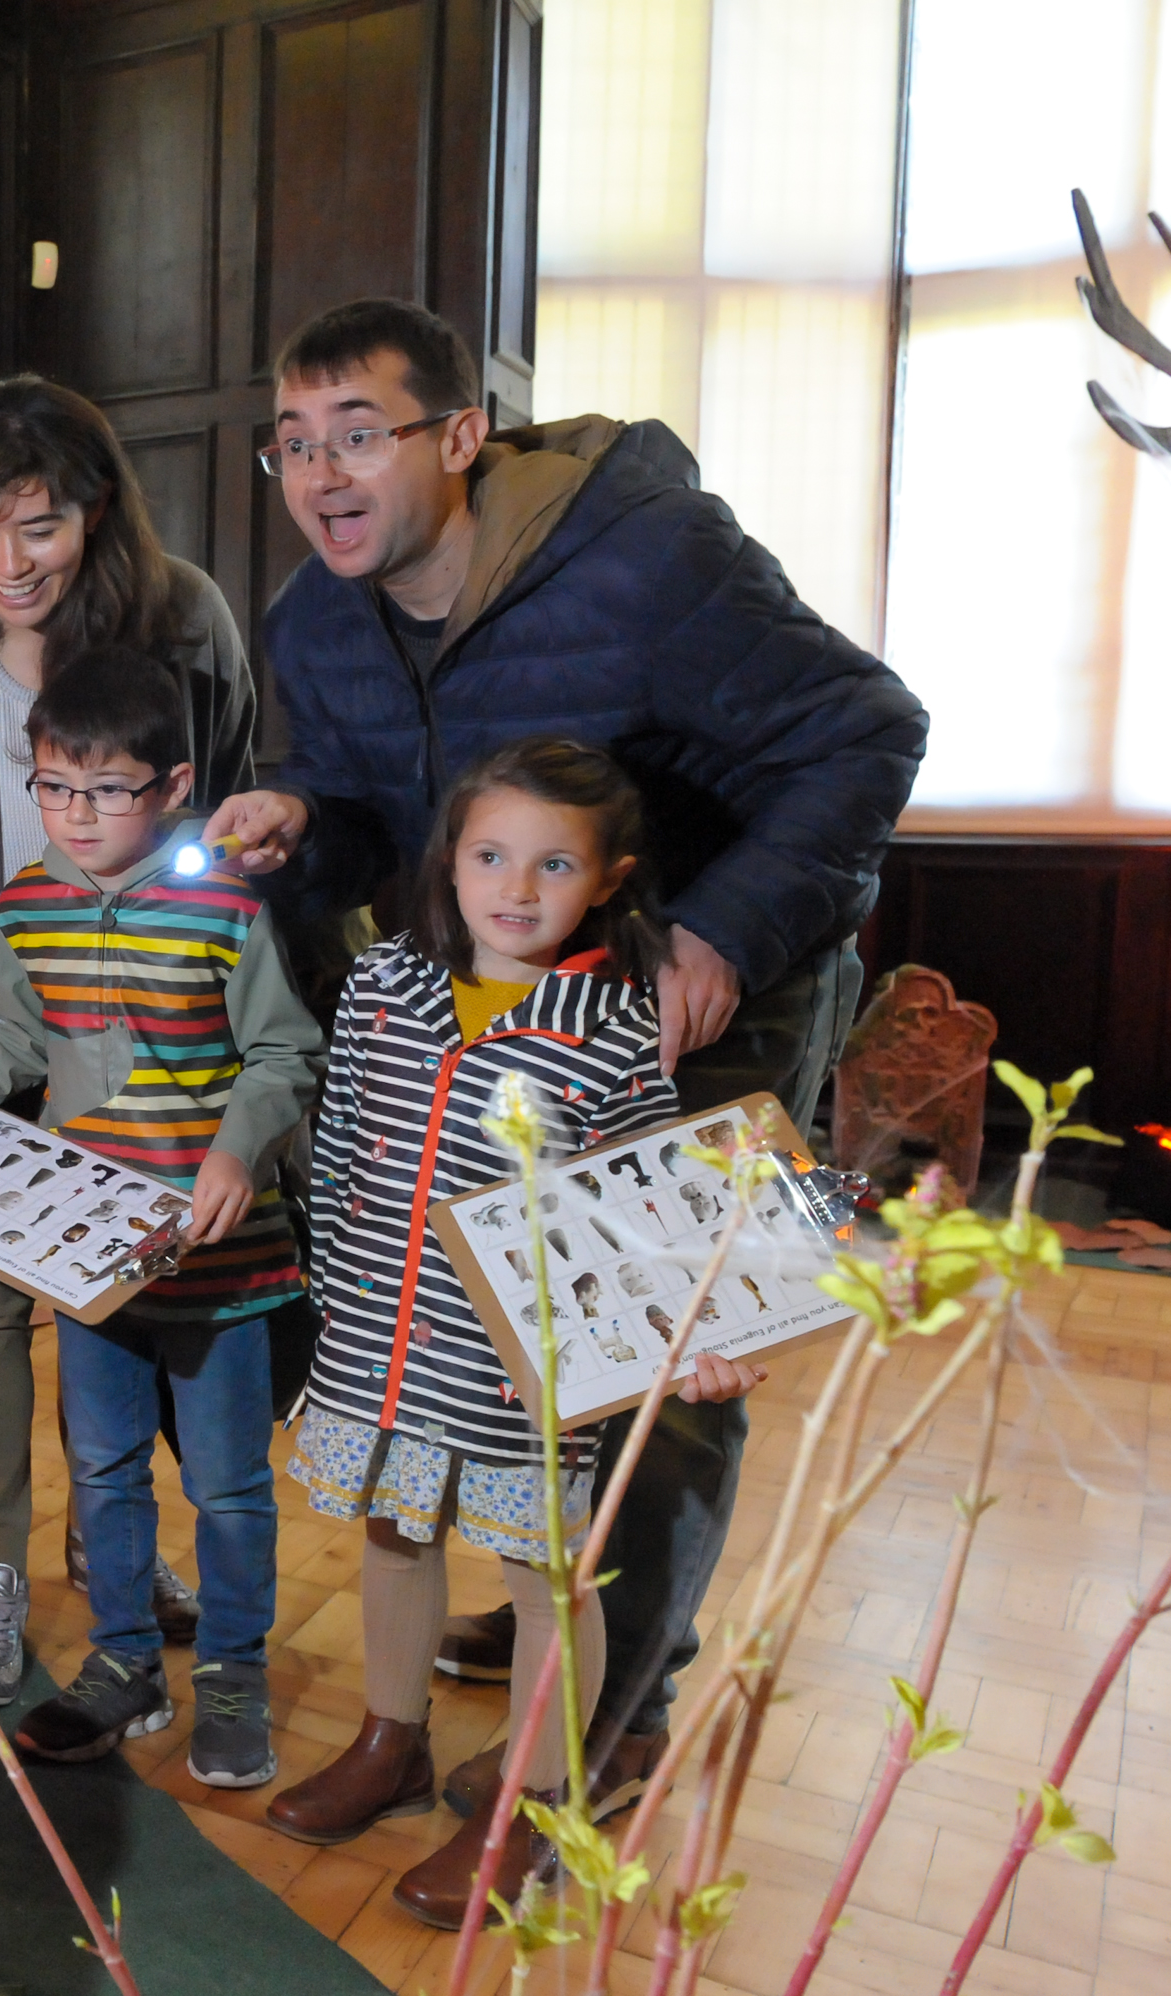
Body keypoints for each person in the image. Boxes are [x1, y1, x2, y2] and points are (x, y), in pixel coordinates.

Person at [200, 297, 925, 1823]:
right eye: (292, 442)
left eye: (360, 434)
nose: (320, 473)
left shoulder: (653, 559)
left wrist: (720, 933)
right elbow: (369, 819)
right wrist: (298, 832)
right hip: (485, 1012)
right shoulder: (312, 618)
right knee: (486, 1344)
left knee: (646, 1356)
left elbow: (868, 729)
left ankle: (621, 1713)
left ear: (461, 438)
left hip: (702, 991)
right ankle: (556, 1613)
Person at [262, 739, 767, 1923]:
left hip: (522, 1370)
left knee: (546, 1574)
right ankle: (393, 1744)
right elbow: (337, 1153)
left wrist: (691, 1332)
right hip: (378, 1346)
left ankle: (535, 1811)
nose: (516, 886)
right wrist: (336, 1292)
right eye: (490, 855)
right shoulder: (386, 983)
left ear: (610, 879)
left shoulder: (610, 1028)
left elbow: (657, 1208)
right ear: (450, 861)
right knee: (395, 1529)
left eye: (552, 864)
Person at [0, 376, 258, 1705]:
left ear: (94, 511)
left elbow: (235, 804)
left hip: (141, 1029)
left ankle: (110, 1545)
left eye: (38, 525)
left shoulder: (182, 617)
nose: (7, 563)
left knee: (122, 1296)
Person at [0, 646, 322, 1781]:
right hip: (90, 1251)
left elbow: (285, 1052)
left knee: (226, 1483)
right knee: (105, 1469)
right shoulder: (25, 904)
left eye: (110, 790)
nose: (78, 815)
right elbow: (21, 1044)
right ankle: (124, 1661)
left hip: (219, 1256)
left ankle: (232, 1674)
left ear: (174, 785)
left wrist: (236, 1152)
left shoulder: (223, 905)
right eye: (55, 787)